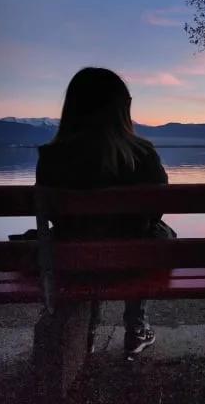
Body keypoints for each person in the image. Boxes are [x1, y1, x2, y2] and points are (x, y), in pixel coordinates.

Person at [36, 67, 174, 360]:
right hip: (131, 262)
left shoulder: (51, 158)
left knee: (82, 239)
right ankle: (135, 329)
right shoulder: (143, 153)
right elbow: (157, 209)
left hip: (73, 263)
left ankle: (86, 332)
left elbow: (49, 216)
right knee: (154, 235)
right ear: (121, 110)